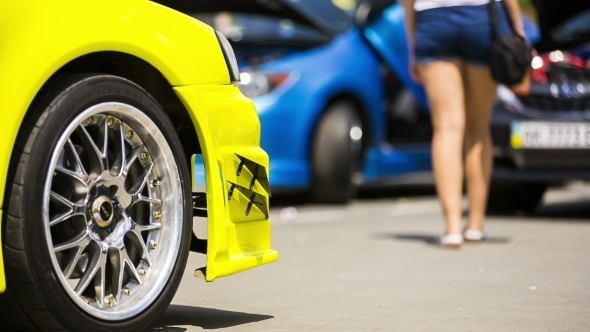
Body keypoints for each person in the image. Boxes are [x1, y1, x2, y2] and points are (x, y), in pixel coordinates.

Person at [401, 0, 526, 247]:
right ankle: (476, 225)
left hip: (431, 19)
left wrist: (413, 44)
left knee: (447, 127)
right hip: (480, 17)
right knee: (478, 127)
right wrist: (517, 27)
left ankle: (453, 228)